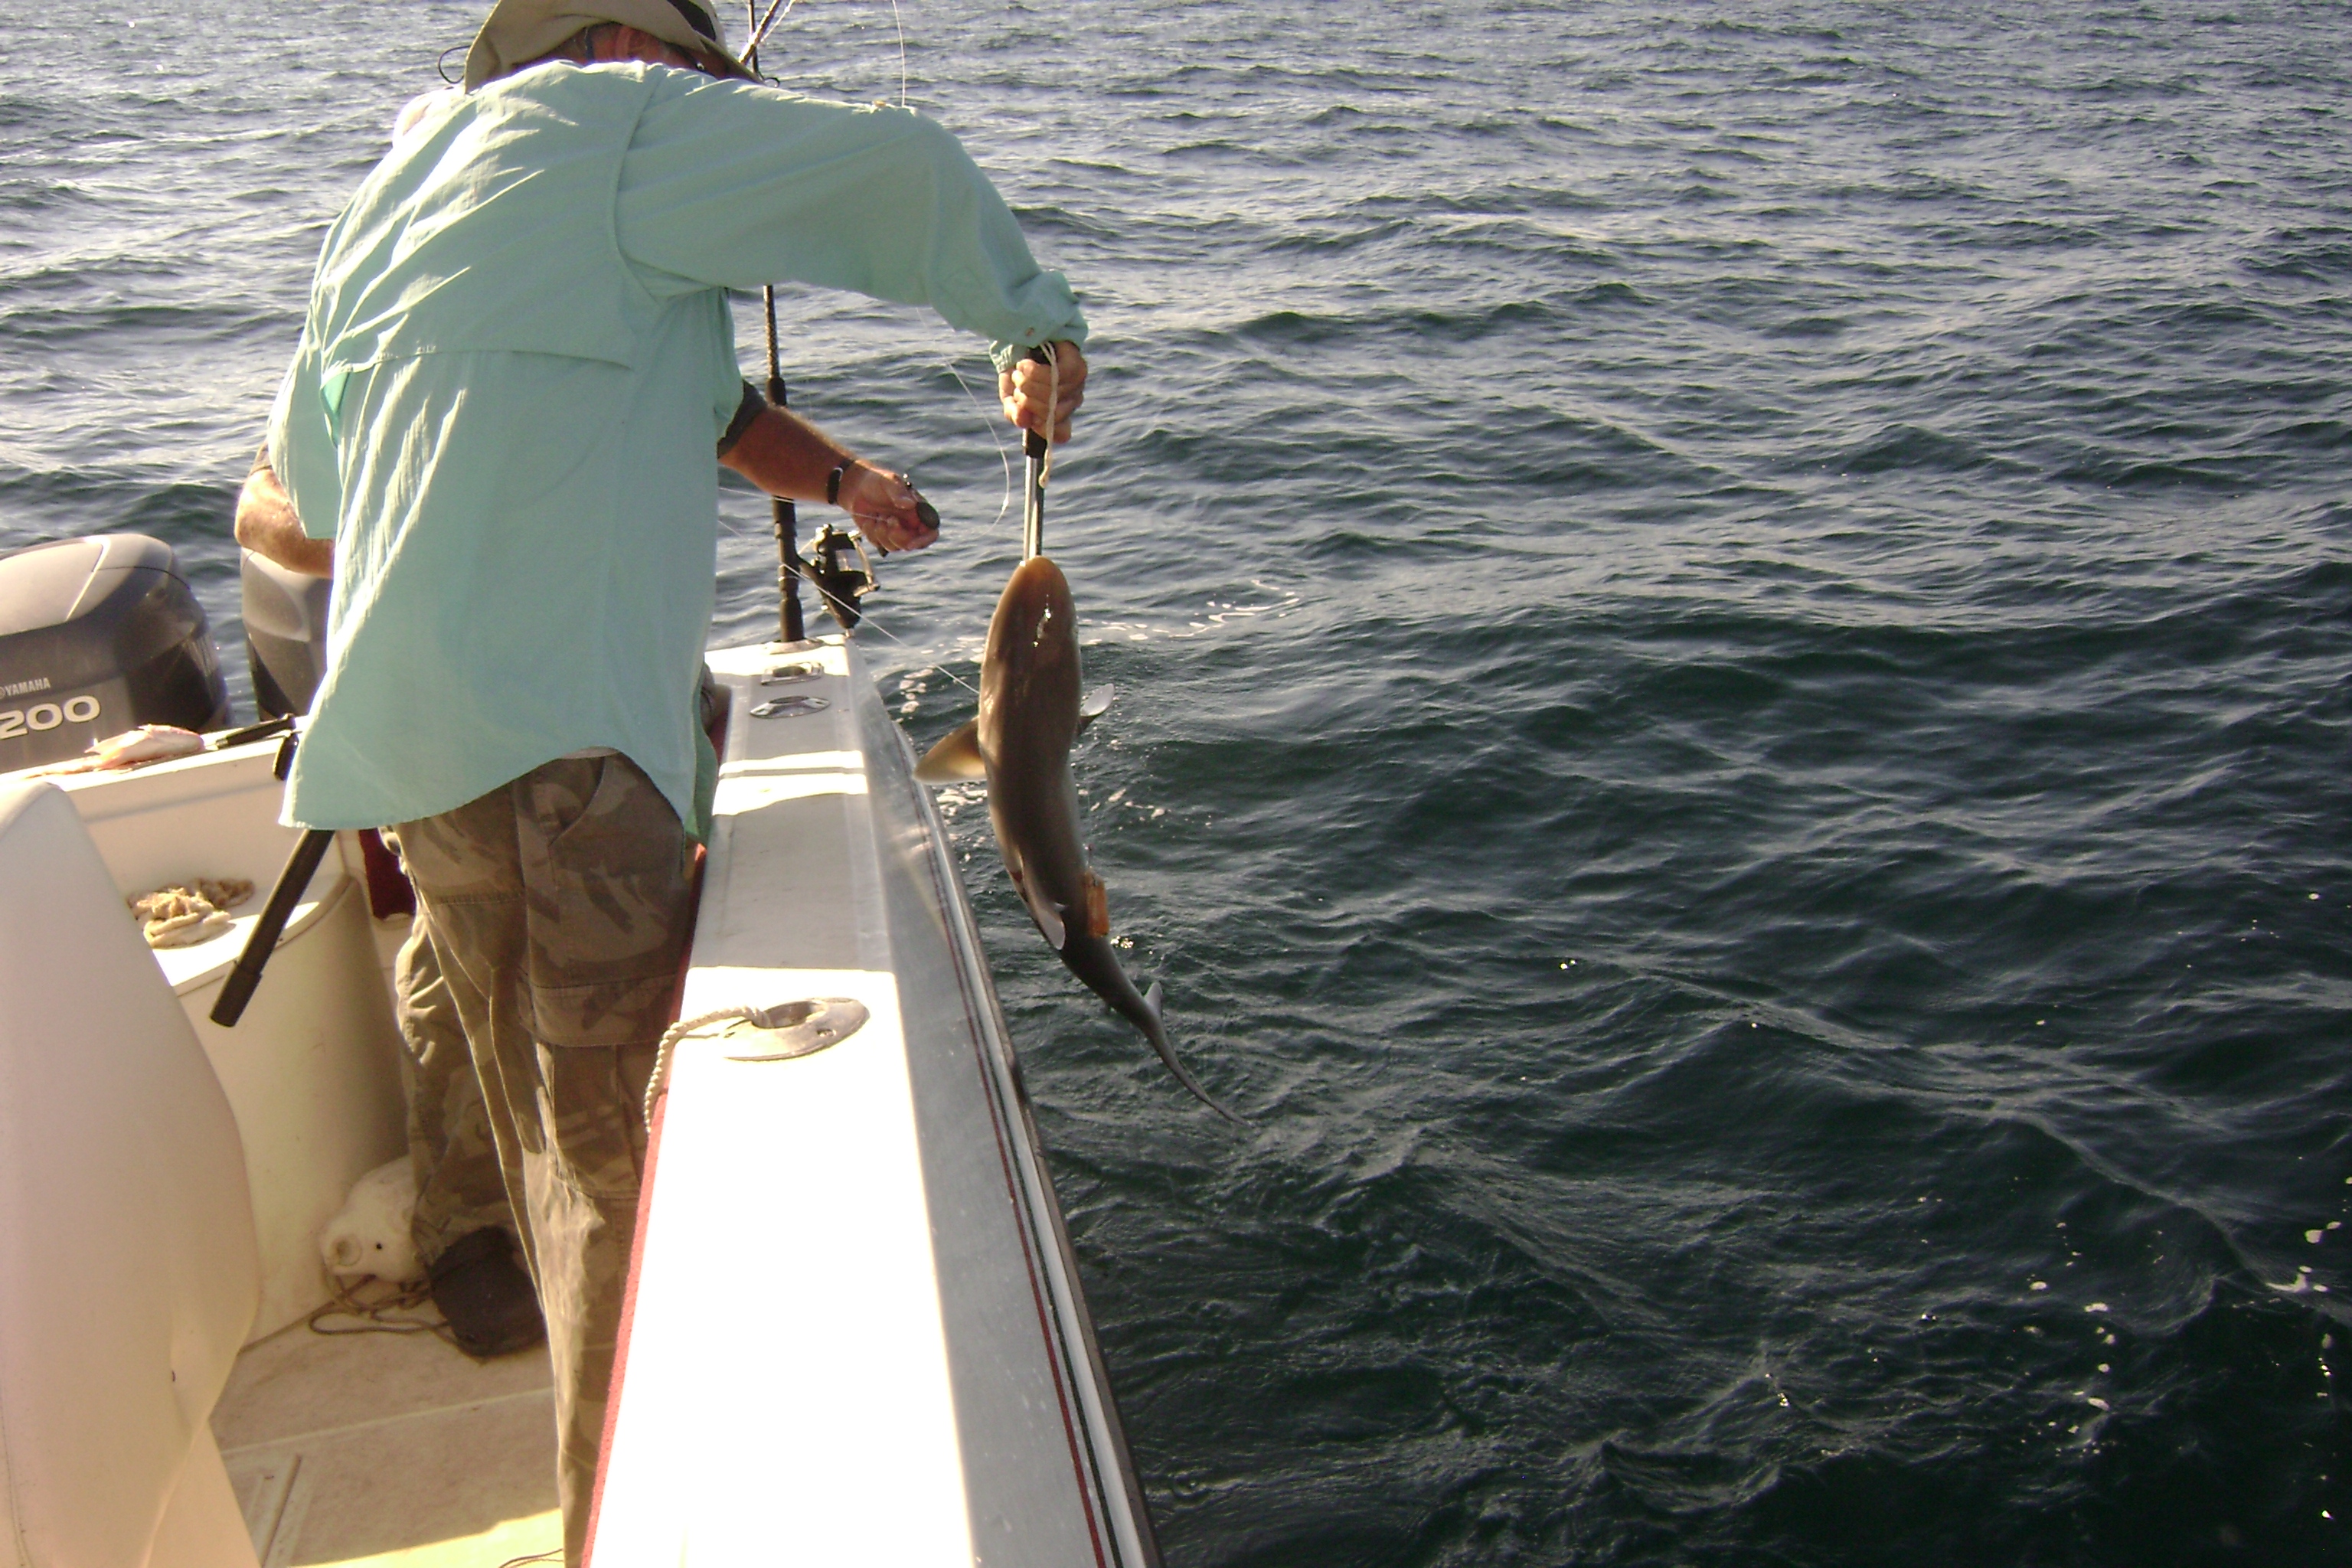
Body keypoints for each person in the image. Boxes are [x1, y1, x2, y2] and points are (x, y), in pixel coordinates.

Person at [258, 0, 1089, 1558]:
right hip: (569, 761)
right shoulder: (625, 123)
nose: (719, 104)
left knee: (533, 1129)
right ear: (643, 53)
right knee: (613, 1181)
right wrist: (1035, 331)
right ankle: (617, 1519)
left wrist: (838, 479)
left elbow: (305, 501)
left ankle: (516, 1316)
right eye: (714, 77)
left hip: (410, 753)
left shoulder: (398, 187)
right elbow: (908, 173)